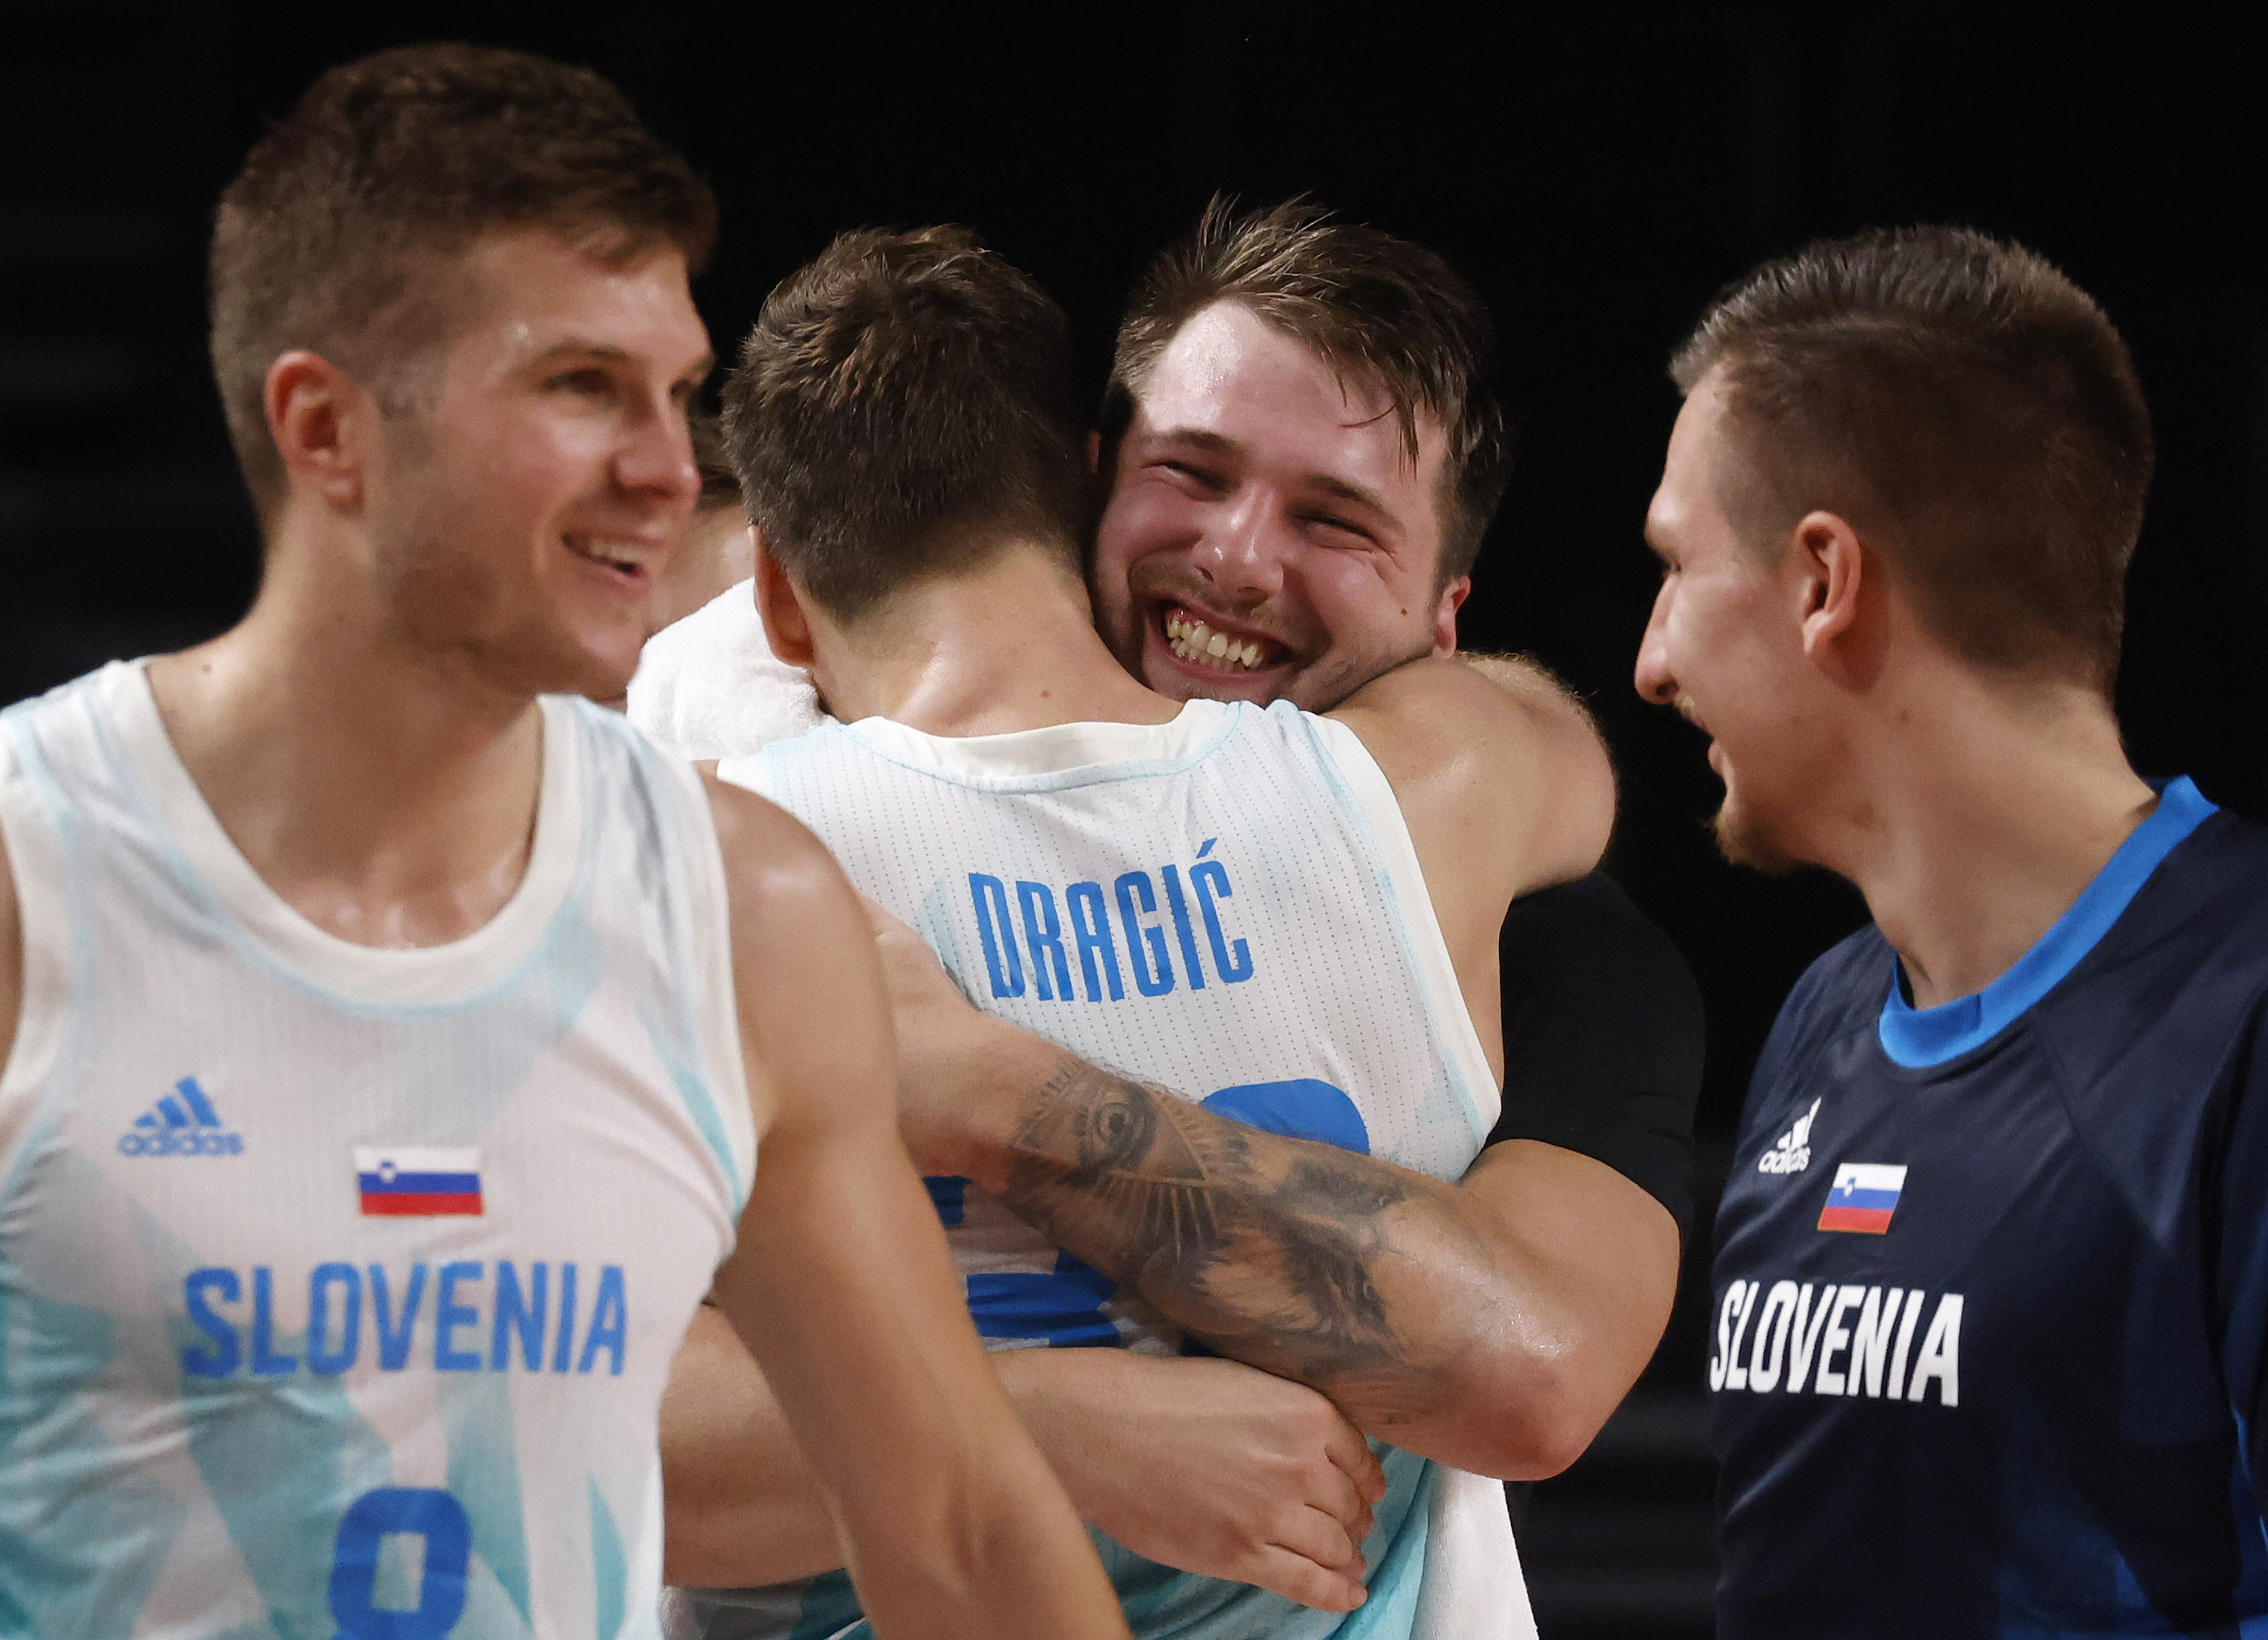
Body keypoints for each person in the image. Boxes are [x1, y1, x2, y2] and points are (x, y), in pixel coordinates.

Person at [0, 46, 1131, 1640]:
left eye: (674, 392)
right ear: (328, 429)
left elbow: (954, 1527)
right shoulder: (27, 872)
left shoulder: (747, 907)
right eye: (580, 385)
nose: (672, 469)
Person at [655, 202, 1700, 1624]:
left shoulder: (703, 841)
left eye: (1332, 520)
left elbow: (1527, 1373)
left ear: (1443, 620)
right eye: (1188, 475)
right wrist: (1052, 1423)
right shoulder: (1438, 790)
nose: (1233, 561)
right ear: (1083, 488)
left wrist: (987, 1088)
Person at [1639, 226, 2268, 1635]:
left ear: (1821, 582)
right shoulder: (1823, 1013)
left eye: (1676, 566)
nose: (1651, 658)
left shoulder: (2245, 1012)